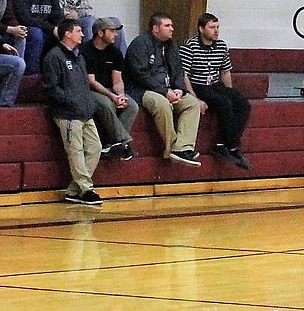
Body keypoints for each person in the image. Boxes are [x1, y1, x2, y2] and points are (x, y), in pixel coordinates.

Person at [41, 18, 103, 206]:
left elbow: (84, 84)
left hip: (84, 112)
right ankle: (86, 189)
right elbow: (51, 88)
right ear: (67, 33)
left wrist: (87, 104)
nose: (83, 34)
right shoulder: (53, 57)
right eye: (78, 31)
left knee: (95, 147)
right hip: (67, 114)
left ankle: (74, 191)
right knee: (75, 151)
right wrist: (72, 102)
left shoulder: (79, 57)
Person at [125, 12, 202, 166]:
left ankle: (183, 146)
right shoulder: (140, 44)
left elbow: (178, 70)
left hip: (169, 89)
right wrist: (165, 92)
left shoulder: (171, 45)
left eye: (171, 25)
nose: (172, 29)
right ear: (155, 29)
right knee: (162, 103)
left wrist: (179, 88)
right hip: (142, 90)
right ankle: (172, 147)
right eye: (167, 26)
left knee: (192, 104)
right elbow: (140, 75)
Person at [180, 12, 252, 170]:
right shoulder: (190, 45)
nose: (216, 31)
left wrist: (230, 91)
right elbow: (183, 74)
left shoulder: (221, 46)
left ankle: (222, 143)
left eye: (218, 27)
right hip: (197, 84)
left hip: (214, 84)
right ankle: (233, 147)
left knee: (242, 103)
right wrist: (194, 98)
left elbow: (225, 72)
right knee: (223, 103)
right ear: (201, 29)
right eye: (212, 27)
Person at [83, 16, 138, 161]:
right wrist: (112, 96)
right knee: (107, 104)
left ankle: (113, 143)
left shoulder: (115, 52)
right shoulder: (86, 51)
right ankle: (124, 143)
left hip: (109, 89)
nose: (116, 34)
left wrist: (120, 95)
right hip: (90, 90)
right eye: (112, 31)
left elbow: (117, 79)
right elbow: (91, 81)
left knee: (131, 105)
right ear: (100, 33)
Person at [10, 0, 63, 75]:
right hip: (27, 28)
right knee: (36, 33)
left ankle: (60, 72)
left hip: (46, 28)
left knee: (68, 32)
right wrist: (51, 27)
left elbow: (57, 14)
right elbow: (25, 18)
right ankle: (32, 73)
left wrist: (59, 28)